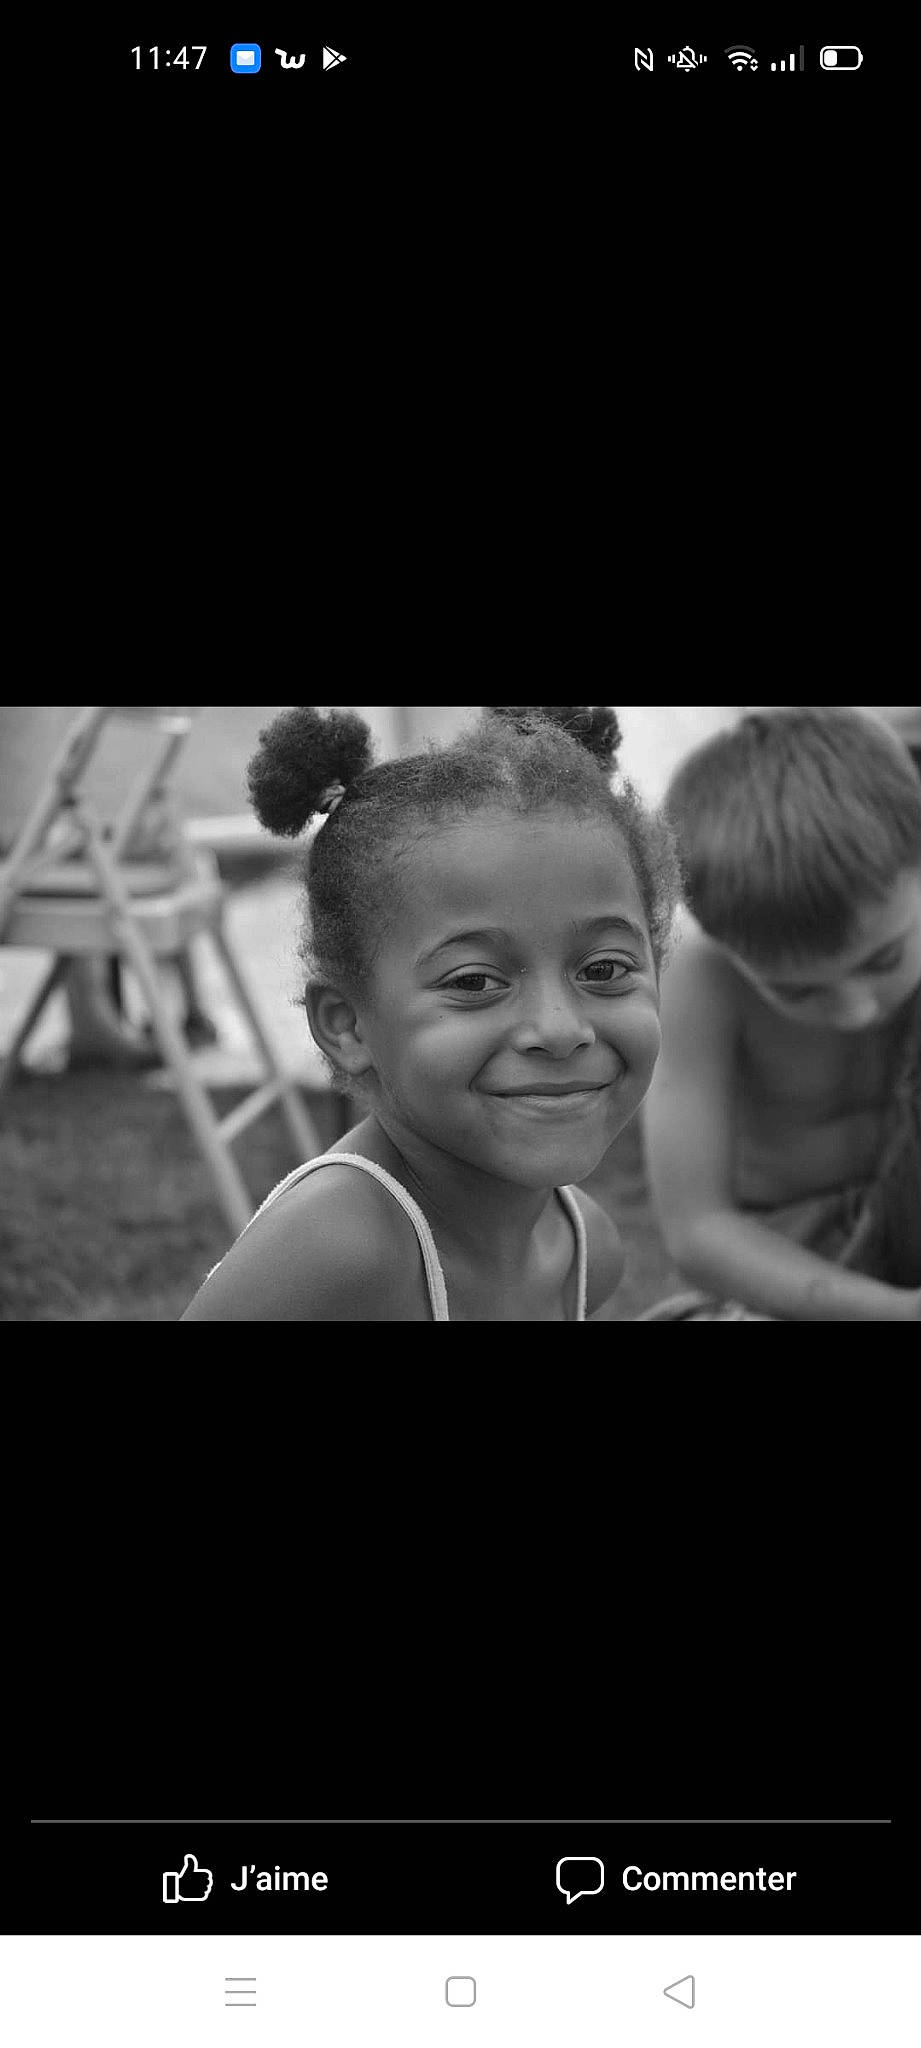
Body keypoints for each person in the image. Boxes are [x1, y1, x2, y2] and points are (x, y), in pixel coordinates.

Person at [183, 704, 679, 1321]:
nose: (559, 1030)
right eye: (474, 981)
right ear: (347, 1024)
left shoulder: (587, 1252)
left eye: (602, 970)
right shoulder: (338, 1255)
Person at [643, 707, 921, 1321]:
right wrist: (897, 1312)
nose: (856, 1010)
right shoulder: (701, 978)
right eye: (797, 992)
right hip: (788, 1272)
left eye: (884, 959)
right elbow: (698, 1231)